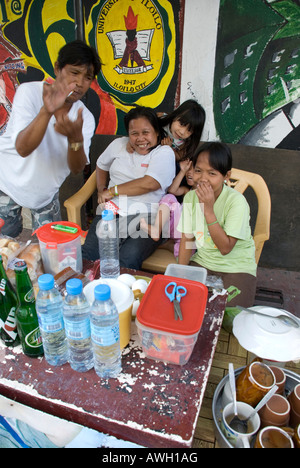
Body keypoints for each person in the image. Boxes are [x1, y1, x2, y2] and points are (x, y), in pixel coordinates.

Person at [0, 40, 101, 238]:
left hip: (44, 193)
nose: (80, 83)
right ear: (57, 68)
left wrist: (75, 139)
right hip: (7, 183)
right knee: (4, 245)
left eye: (87, 77)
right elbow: (23, 148)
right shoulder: (29, 92)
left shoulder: (85, 117)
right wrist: (47, 111)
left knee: (49, 249)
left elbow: (76, 168)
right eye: (74, 73)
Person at [82, 106, 176, 269]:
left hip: (147, 218)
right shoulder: (119, 144)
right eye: (134, 133)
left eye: (146, 132)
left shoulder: (164, 153)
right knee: (88, 255)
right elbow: (101, 164)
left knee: (126, 260)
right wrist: (101, 188)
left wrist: (112, 190)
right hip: (112, 212)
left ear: (157, 132)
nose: (140, 139)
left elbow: (149, 183)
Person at [177, 141, 257, 307]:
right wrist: (180, 275)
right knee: (184, 305)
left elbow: (225, 248)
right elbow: (187, 240)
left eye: (212, 173)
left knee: (229, 318)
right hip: (203, 262)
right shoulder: (190, 198)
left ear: (226, 176)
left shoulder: (236, 202)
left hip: (237, 267)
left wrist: (208, 209)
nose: (203, 179)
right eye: (198, 171)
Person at [140, 159, 195, 257]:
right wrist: (182, 171)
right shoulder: (188, 190)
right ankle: (156, 229)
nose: (189, 172)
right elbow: (172, 190)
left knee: (188, 253)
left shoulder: (207, 194)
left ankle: (167, 245)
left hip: (187, 235)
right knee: (169, 197)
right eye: (188, 169)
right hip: (176, 226)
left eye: (195, 170)